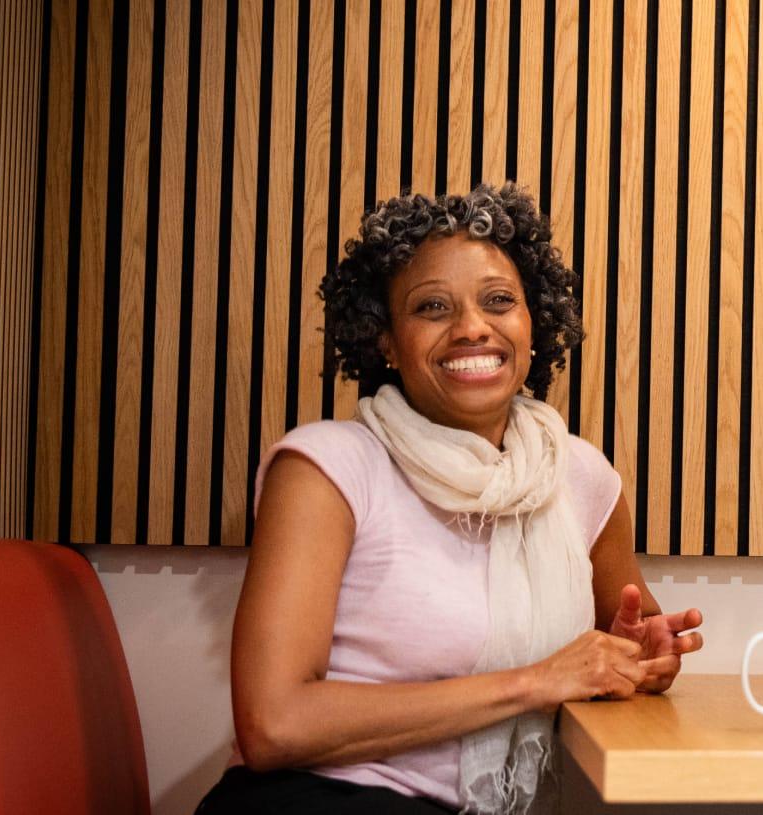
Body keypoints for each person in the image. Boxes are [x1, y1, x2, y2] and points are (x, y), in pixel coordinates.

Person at [198, 185, 704, 815]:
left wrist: (646, 659)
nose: (472, 328)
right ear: (385, 339)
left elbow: (626, 644)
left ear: (533, 324)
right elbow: (274, 724)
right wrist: (533, 682)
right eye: (432, 307)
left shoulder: (579, 475)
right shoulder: (327, 467)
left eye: (499, 301)